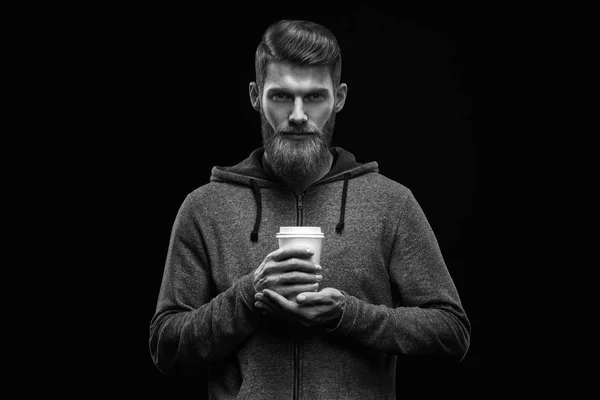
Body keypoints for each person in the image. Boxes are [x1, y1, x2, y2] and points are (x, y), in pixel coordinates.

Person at [149, 19, 470, 399]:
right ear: (255, 96)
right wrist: (248, 297)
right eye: (281, 96)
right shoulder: (205, 208)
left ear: (340, 98)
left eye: (315, 97)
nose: (298, 115)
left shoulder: (392, 204)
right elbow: (166, 348)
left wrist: (348, 315)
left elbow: (452, 332)